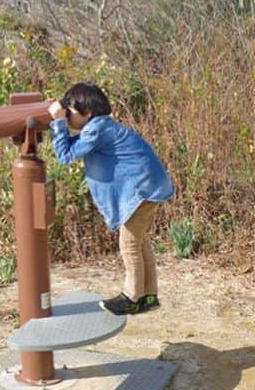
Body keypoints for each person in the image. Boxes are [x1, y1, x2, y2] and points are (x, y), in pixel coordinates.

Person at [46, 82, 173, 316]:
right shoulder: (100, 128)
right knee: (139, 240)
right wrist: (60, 123)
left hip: (143, 191)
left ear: (88, 113)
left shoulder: (96, 130)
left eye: (70, 111)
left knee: (129, 244)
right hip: (149, 187)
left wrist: (57, 123)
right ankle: (149, 296)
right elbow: (73, 147)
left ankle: (132, 298)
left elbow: (65, 156)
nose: (67, 115)